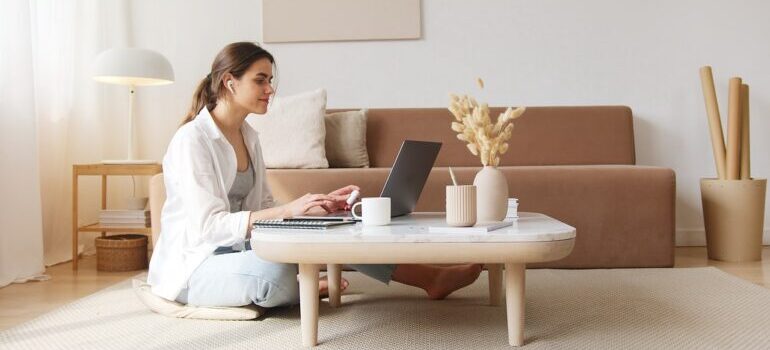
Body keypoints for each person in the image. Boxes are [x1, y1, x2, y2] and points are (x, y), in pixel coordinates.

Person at [147, 42, 482, 309]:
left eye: (270, 80)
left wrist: (312, 209)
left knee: (338, 232)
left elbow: (264, 205)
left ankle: (431, 279)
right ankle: (299, 287)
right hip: (195, 265)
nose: (270, 89)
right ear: (229, 82)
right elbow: (208, 227)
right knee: (275, 272)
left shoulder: (249, 136)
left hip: (240, 249)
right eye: (260, 80)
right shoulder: (193, 140)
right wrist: (289, 211)